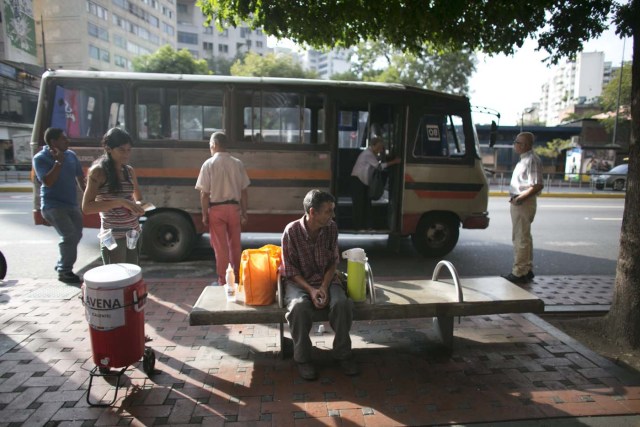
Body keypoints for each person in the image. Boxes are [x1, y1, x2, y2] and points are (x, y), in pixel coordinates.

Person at [281, 189, 359, 380]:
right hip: (299, 282)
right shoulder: (291, 231)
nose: (332, 215)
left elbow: (333, 262)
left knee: (342, 304)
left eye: (333, 210)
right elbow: (290, 270)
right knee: (298, 308)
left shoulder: (331, 228)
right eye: (328, 211)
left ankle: (343, 354)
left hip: (326, 279)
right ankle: (303, 359)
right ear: (312, 212)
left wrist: (323, 287)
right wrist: (311, 290)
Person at [82, 128, 145, 265]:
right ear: (108, 149)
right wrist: (120, 202)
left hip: (133, 232)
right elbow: (87, 207)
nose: (126, 154)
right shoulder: (98, 172)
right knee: (117, 278)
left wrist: (139, 206)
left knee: (132, 274)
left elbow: (138, 198)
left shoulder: (129, 171)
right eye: (122, 150)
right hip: (113, 236)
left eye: (129, 150)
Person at [195, 132, 250, 285]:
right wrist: (244, 212)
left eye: (210, 147)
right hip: (234, 209)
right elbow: (244, 191)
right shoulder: (237, 163)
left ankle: (223, 281)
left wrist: (204, 214)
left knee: (221, 248)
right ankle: (238, 277)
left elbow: (204, 193)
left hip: (216, 210)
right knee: (235, 245)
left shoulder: (208, 164)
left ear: (213, 145)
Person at [33, 128, 86, 283]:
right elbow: (48, 181)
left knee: (77, 235)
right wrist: (58, 162)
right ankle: (64, 271)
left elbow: (80, 177)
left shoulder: (71, 155)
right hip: (52, 205)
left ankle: (62, 263)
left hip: (71, 204)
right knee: (69, 236)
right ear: (53, 142)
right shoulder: (40, 158)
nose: (67, 141)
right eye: (63, 139)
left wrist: (89, 197)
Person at [502, 132, 543, 284]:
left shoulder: (531, 160)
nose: (515, 144)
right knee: (525, 236)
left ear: (524, 145)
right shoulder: (524, 160)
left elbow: (537, 184)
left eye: (517, 142)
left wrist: (519, 198)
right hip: (520, 202)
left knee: (520, 237)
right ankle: (526, 269)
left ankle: (519, 272)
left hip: (523, 203)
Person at [349, 136, 400, 230]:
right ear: (373, 145)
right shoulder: (368, 154)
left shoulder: (370, 153)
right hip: (358, 181)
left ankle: (364, 225)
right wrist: (394, 162)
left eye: (382, 148)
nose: (380, 150)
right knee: (359, 205)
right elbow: (379, 167)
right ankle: (358, 226)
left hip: (362, 181)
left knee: (365, 204)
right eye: (379, 147)